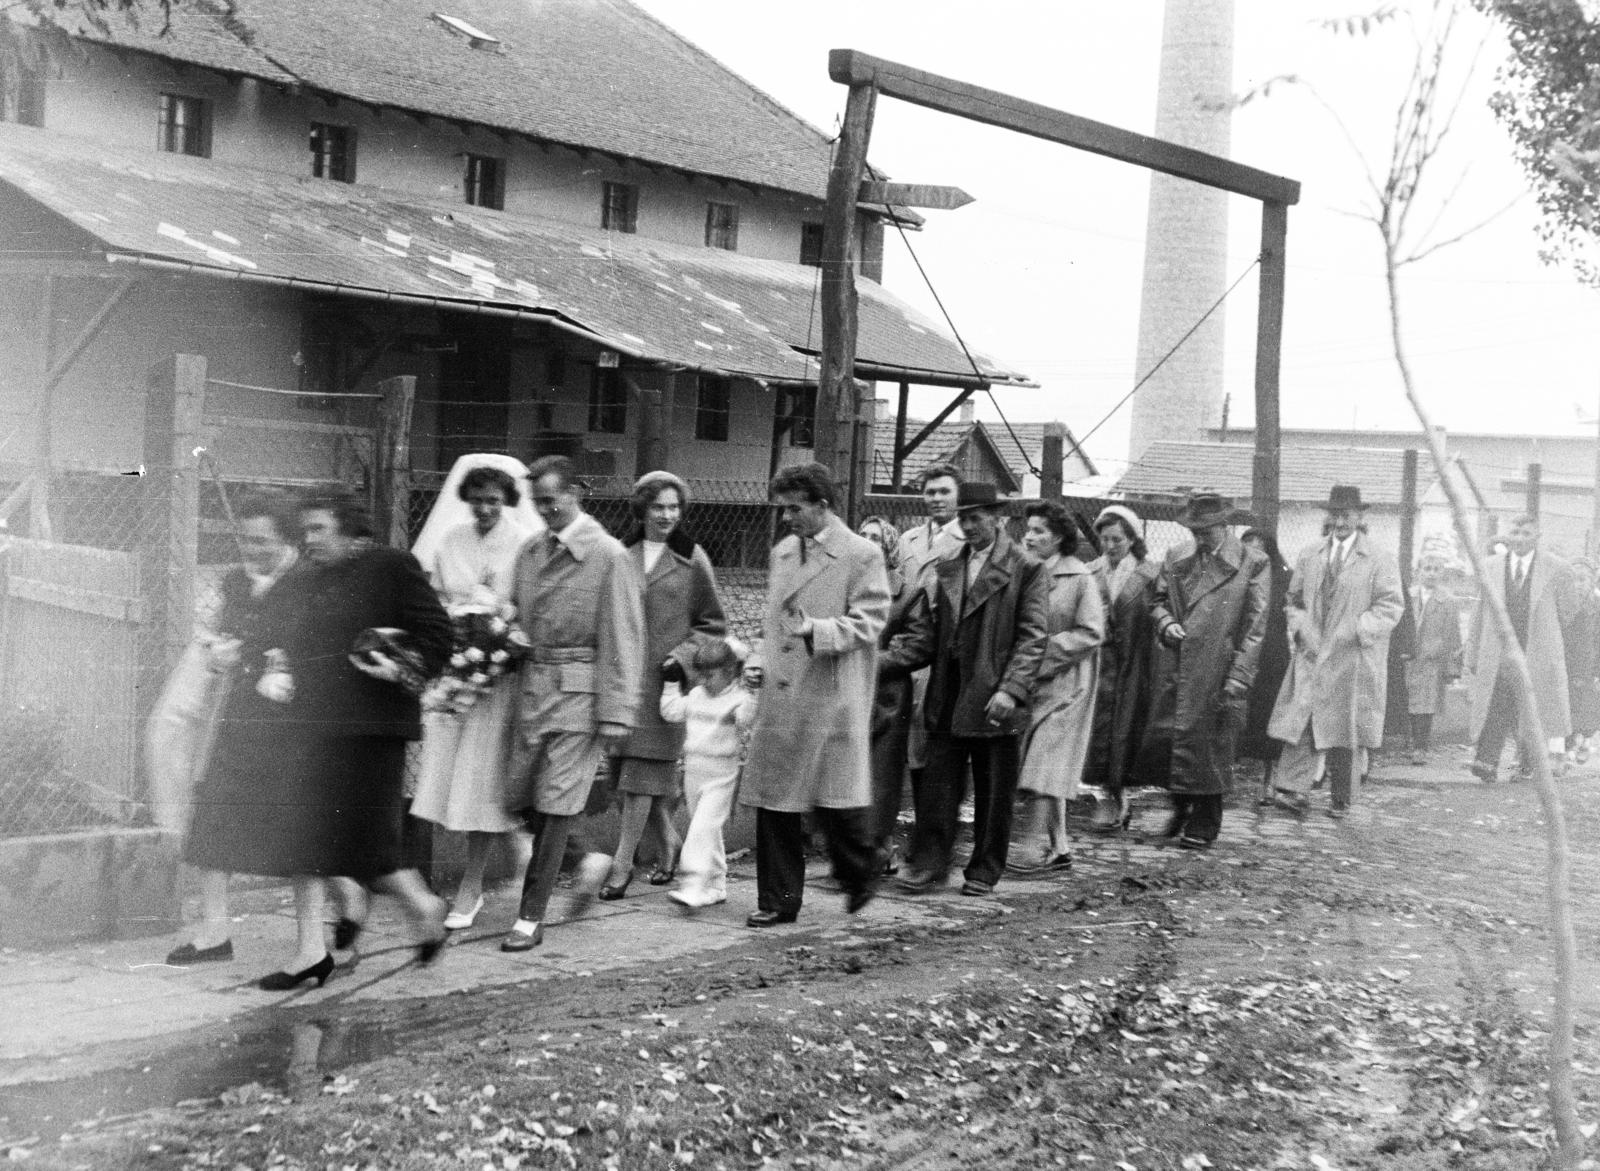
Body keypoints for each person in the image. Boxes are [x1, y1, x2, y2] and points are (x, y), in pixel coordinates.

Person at [266, 488, 454, 989]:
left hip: (374, 728)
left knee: (367, 846)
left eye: (319, 528)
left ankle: (423, 904)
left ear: (348, 527)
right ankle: (310, 951)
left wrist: (394, 662)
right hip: (314, 726)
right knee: (304, 836)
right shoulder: (307, 577)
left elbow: (438, 636)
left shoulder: (392, 566)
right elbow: (283, 632)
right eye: (303, 531)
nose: (309, 540)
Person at [501, 456, 646, 951]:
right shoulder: (530, 551)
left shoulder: (609, 555)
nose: (542, 510)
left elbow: (625, 636)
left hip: (581, 695)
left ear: (578, 492)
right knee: (520, 795)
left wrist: (617, 711)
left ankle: (530, 917)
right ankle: (588, 861)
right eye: (536, 501)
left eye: (550, 499)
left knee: (557, 799)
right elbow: (513, 612)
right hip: (532, 688)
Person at [739, 462, 889, 926]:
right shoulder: (784, 551)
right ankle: (778, 899)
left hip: (830, 690)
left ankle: (862, 870)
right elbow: (771, 622)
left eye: (794, 508)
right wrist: (759, 660)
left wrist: (817, 630)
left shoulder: (861, 554)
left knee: (832, 802)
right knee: (776, 799)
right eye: (782, 509)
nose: (786, 518)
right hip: (783, 692)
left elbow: (871, 620)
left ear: (822, 507)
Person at [882, 482, 1049, 896]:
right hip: (950, 690)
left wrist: (1011, 690)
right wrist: (882, 661)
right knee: (939, 784)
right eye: (963, 518)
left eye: (976, 517)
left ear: (999, 518)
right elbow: (930, 631)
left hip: (995, 695)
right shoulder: (950, 564)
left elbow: (1033, 637)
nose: (968, 526)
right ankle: (929, 866)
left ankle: (984, 869)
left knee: (994, 789)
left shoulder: (1025, 567)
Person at [165, 490, 302, 966]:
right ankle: (215, 934)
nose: (252, 549)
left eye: (263, 541)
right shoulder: (234, 583)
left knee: (296, 827)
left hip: (291, 722)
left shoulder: (305, 584)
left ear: (285, 539)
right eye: (245, 539)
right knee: (214, 818)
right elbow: (221, 633)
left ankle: (349, 908)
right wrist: (219, 650)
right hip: (239, 716)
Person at [409, 456, 540, 930]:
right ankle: (522, 852)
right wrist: (459, 624)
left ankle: (472, 885)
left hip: (501, 680)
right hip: (459, 675)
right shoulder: (451, 540)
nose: (485, 508)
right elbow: (439, 598)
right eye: (478, 500)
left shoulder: (525, 544)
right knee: (456, 782)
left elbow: (529, 608)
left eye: (494, 500)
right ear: (465, 501)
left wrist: (499, 632)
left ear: (507, 501)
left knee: (482, 784)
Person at [602, 471, 727, 900]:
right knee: (625, 780)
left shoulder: (694, 559)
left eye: (674, 507)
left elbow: (713, 626)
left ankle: (622, 866)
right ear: (642, 509)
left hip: (664, 687)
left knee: (639, 778)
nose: (667, 515)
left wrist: (683, 660)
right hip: (621, 683)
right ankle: (671, 844)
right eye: (659, 507)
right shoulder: (620, 554)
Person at [1136, 491, 1268, 848]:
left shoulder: (1252, 562)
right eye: (1194, 529)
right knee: (1173, 739)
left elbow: (1256, 625)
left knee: (1212, 743)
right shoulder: (1177, 556)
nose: (1200, 536)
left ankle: (1207, 818)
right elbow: (1158, 600)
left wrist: (1239, 674)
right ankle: (1181, 806)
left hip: (1218, 664)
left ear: (1224, 526)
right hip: (1177, 663)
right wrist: (1165, 623)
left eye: (1207, 530)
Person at [1267, 485, 1404, 817]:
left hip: (1353, 657)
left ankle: (1342, 797)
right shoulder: (1310, 553)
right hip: (1313, 652)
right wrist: (1300, 626)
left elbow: (1390, 606)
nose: (1340, 521)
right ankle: (1294, 790)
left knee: (1346, 727)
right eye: (1335, 514)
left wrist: (1357, 629)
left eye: (1347, 515)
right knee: (1304, 718)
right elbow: (1294, 599)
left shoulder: (1379, 558)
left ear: (1359, 517)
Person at [1011, 502, 1105, 872]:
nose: (1030, 537)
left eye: (1039, 531)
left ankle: (1028, 847)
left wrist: (1042, 652)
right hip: (1033, 683)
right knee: (1049, 764)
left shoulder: (1079, 577)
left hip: (1070, 684)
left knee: (1043, 762)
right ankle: (1060, 847)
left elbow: (1091, 632)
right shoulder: (1023, 572)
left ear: (1060, 538)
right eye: (1028, 529)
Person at [1466, 513, 1577, 783]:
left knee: (1532, 706)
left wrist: (1547, 636)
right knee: (1496, 701)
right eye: (1514, 534)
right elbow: (1479, 613)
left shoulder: (1556, 568)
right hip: (1498, 650)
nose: (1518, 540)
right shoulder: (1490, 566)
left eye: (1525, 534)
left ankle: (1527, 762)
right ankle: (1486, 761)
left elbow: (1568, 611)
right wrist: (1473, 652)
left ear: (1537, 537)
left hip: (1536, 652)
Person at [1081, 505, 1161, 832]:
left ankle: (1121, 796)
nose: (1111, 546)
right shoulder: (1090, 571)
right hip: (1100, 662)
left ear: (1131, 539)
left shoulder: (1148, 574)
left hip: (1133, 663)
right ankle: (1106, 797)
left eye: (1118, 539)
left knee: (1126, 730)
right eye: (1105, 539)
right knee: (1098, 732)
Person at [662, 638, 757, 909]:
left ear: (729, 672)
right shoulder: (696, 695)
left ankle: (692, 886)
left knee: (701, 830)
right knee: (708, 831)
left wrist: (752, 692)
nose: (704, 680)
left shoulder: (737, 698)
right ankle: (716, 886)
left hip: (721, 775)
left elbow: (746, 718)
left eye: (710, 675)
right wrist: (670, 684)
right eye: (700, 674)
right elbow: (670, 712)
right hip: (694, 770)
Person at [860, 515, 919, 872]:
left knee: (882, 777)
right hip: (851, 692)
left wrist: (871, 658)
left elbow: (913, 647)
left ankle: (882, 848)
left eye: (875, 537)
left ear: (890, 546)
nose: (868, 541)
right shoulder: (851, 585)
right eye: (863, 535)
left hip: (888, 696)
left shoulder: (907, 593)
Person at [1238, 528, 1292, 798]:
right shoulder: (1237, 576)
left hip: (1272, 655)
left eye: (1259, 550)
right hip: (1241, 651)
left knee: (1269, 713)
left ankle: (1269, 777)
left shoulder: (1284, 578)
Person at [1402, 551, 1463, 766]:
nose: (1431, 574)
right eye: (1427, 569)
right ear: (1418, 572)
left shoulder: (1448, 601)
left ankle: (1421, 747)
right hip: (1408, 658)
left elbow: (1453, 635)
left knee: (1425, 705)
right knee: (1409, 701)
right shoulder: (1408, 596)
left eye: (1436, 569)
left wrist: (1452, 666)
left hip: (1431, 660)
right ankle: (1407, 742)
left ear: (1442, 573)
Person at [1564, 559, 1599, 764]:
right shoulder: (1565, 604)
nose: (1578, 584)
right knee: (1569, 705)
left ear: (1592, 580)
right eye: (1573, 580)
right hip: (1568, 662)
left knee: (1589, 707)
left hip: (1590, 664)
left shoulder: (1597, 605)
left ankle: (1585, 741)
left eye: (1582, 579)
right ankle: (1568, 748)